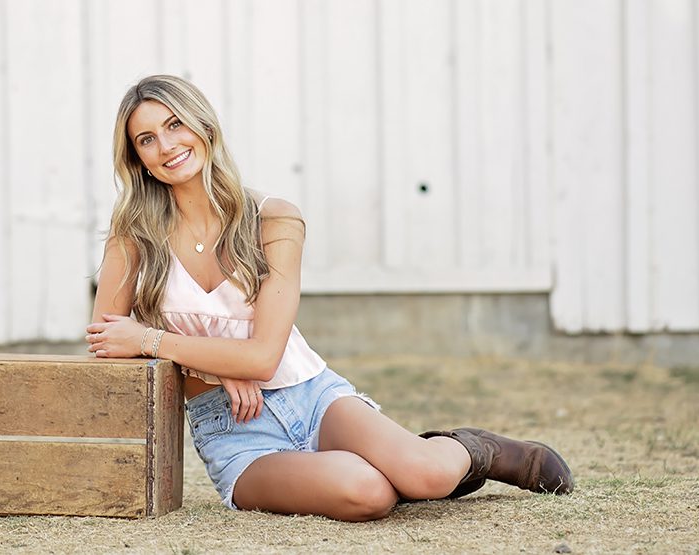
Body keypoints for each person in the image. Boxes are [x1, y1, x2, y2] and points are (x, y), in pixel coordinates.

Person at [86, 74, 573, 521]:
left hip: (311, 395)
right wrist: (212, 369)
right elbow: (108, 348)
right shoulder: (133, 236)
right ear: (136, 158)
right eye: (146, 139)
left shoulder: (273, 220)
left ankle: (477, 449)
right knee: (369, 494)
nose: (166, 145)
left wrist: (164, 342)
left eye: (174, 124)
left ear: (204, 126)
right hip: (235, 434)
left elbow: (262, 356)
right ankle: (375, 466)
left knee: (428, 476)